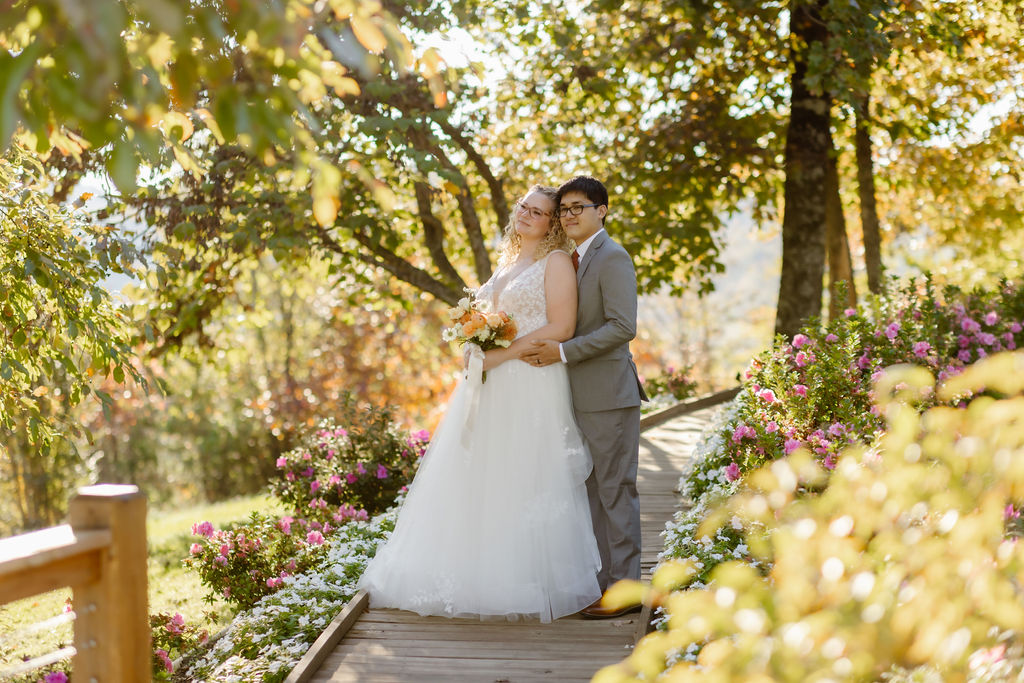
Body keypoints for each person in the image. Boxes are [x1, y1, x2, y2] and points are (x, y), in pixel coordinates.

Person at [357, 185, 602, 623]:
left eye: (539, 211)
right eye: (524, 206)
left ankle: (537, 580)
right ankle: (481, 571)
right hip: (491, 380)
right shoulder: (509, 262)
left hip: (531, 379)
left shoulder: (557, 262)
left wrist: (498, 355)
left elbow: (562, 326)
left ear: (551, 224)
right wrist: (473, 346)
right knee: (486, 473)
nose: (526, 214)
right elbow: (488, 320)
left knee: (526, 472)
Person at [520, 175, 647, 619]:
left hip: (609, 395)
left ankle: (626, 591)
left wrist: (562, 351)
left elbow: (622, 327)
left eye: (579, 207)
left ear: (602, 210)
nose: (570, 215)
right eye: (565, 209)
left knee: (615, 491)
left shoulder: (611, 257)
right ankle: (600, 585)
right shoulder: (572, 259)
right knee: (591, 493)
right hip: (572, 396)